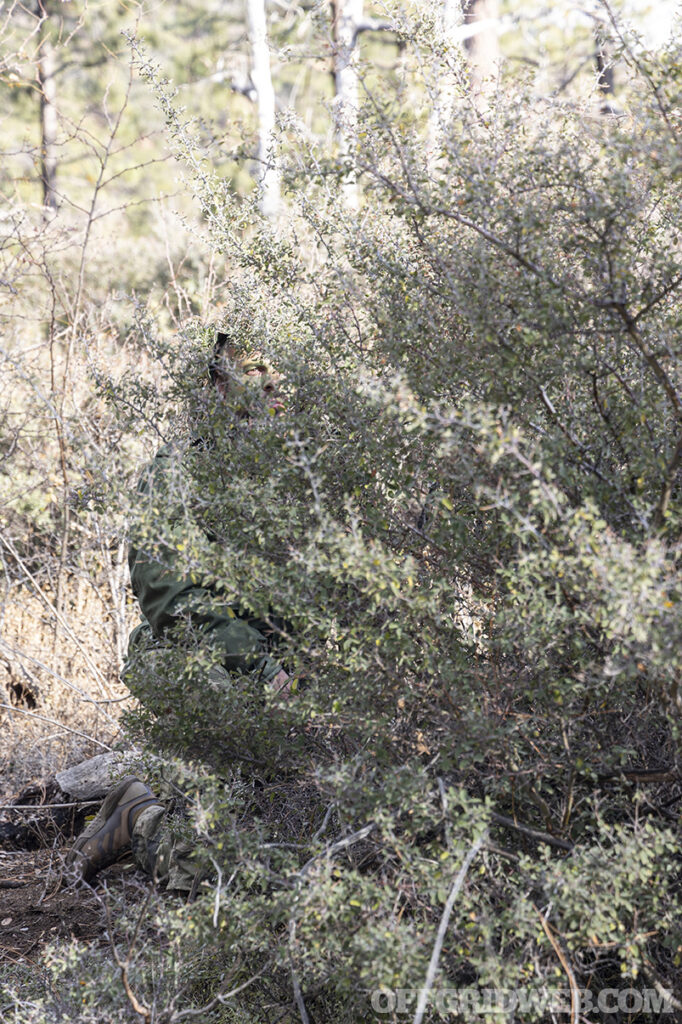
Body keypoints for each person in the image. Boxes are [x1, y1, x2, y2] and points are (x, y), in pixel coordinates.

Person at [68, 330, 292, 889]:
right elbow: (173, 601)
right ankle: (139, 818)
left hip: (280, 670)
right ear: (220, 382)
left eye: (283, 375)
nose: (275, 389)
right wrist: (268, 671)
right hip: (191, 660)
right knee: (206, 874)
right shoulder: (175, 475)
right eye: (258, 373)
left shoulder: (306, 475)